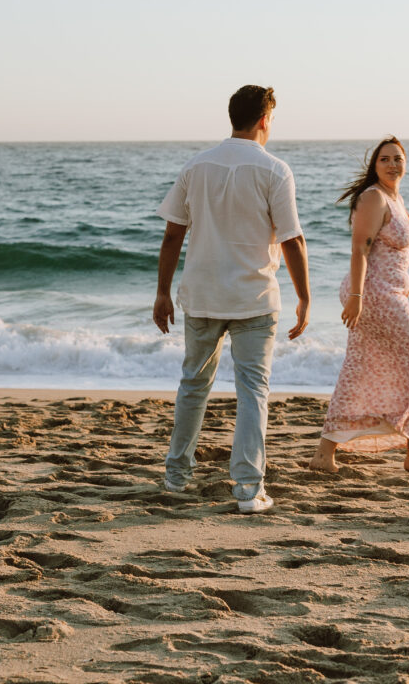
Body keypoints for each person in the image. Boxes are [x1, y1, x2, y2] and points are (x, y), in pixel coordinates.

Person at [153, 85, 310, 514]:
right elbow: (293, 240)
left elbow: (172, 234)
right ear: (264, 120)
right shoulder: (275, 170)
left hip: (201, 294)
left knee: (192, 385)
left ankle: (176, 476)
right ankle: (246, 488)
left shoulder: (196, 165)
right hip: (255, 297)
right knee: (253, 391)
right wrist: (304, 298)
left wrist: (162, 291)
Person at [310, 137, 409, 475]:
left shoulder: (395, 198)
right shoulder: (373, 197)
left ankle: (324, 454)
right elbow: (360, 248)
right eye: (385, 159)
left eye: (398, 159)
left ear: (406, 163)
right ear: (375, 165)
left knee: (359, 366)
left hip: (391, 293)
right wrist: (356, 297)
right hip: (373, 293)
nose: (392, 164)